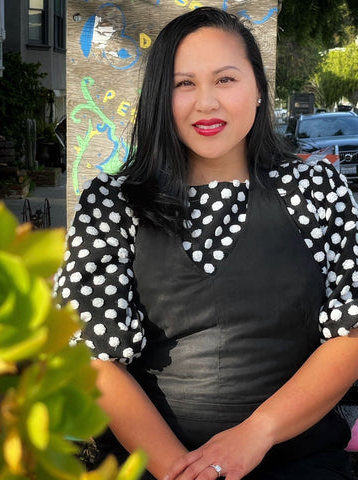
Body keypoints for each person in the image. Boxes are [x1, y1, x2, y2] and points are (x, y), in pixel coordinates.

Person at [54, 6, 358, 480]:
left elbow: (351, 331)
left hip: (298, 460)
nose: (206, 103)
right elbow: (93, 356)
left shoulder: (317, 189)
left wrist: (256, 433)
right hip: (148, 464)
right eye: (184, 84)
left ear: (258, 88)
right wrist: (182, 471)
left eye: (225, 80)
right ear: (160, 97)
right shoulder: (113, 203)